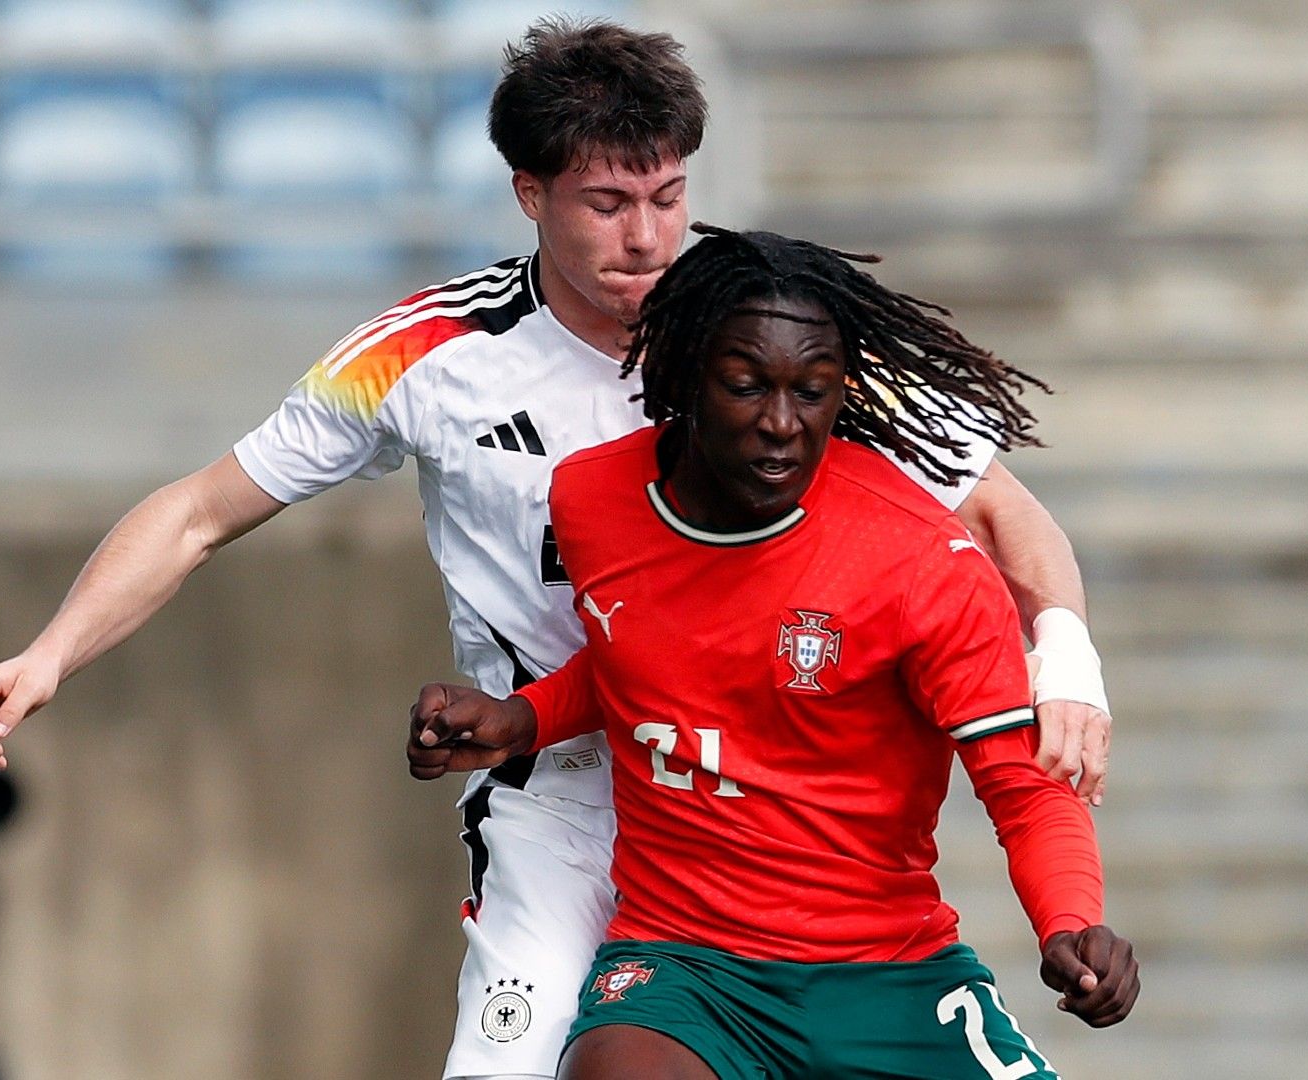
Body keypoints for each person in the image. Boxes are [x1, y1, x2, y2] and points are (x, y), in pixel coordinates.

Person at [0, 20, 1113, 1079]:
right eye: (608, 202)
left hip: (768, 803)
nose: (648, 234)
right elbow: (202, 511)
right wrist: (49, 656)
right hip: (558, 794)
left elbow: (1006, 515)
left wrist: (1066, 661)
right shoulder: (426, 355)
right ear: (529, 193)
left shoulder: (769, 327)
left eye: (668, 194)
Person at [407, 225, 1139, 1079]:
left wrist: (1070, 924)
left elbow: (1022, 788)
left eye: (813, 392)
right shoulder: (594, 497)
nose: (782, 425)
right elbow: (641, 655)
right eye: (747, 387)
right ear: (679, 374)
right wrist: (523, 715)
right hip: (685, 971)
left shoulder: (920, 563)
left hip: (887, 977)